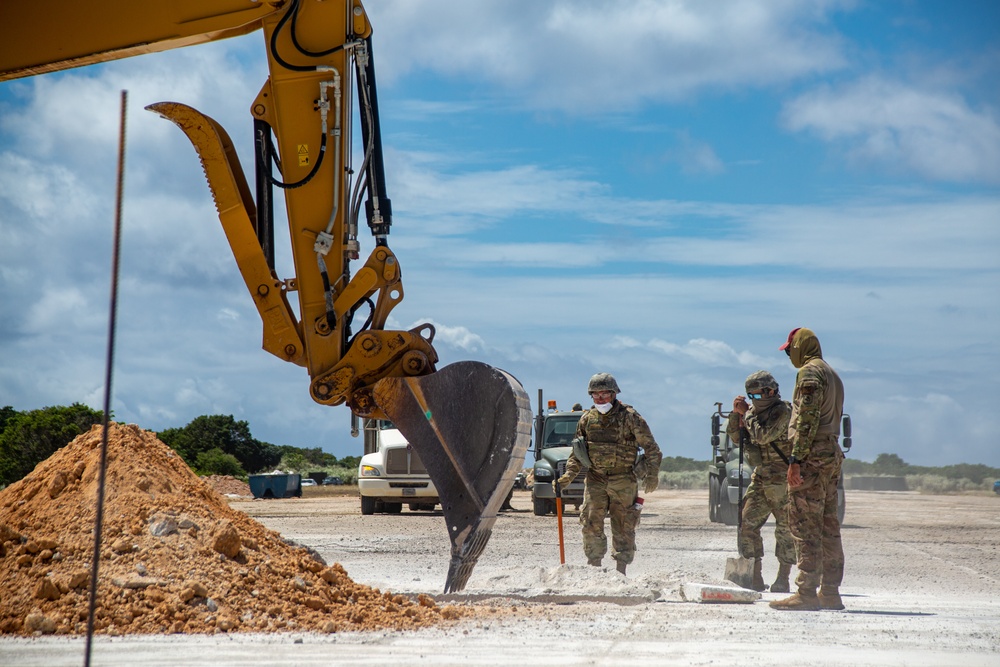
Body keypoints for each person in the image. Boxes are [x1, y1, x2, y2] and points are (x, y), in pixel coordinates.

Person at [770, 327, 846, 611]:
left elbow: (806, 419)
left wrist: (796, 460)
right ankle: (830, 592)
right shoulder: (832, 374)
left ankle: (805, 593)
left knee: (804, 526)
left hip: (812, 455)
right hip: (829, 453)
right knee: (829, 526)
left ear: (800, 347)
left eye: (790, 350)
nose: (790, 355)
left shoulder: (810, 373)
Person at [557, 372, 662, 575]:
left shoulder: (630, 418)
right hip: (595, 478)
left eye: (604, 394)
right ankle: (594, 568)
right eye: (595, 395)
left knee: (624, 525)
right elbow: (577, 453)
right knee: (590, 522)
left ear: (613, 394)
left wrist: (652, 475)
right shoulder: (587, 419)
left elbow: (652, 449)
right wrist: (567, 477)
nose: (600, 399)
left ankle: (620, 571)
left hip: (623, 479)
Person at [727, 370, 795, 592]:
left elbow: (762, 436)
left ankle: (783, 578)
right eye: (751, 397)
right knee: (747, 524)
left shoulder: (782, 411)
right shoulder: (753, 414)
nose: (754, 401)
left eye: (757, 396)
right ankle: (754, 575)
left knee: (785, 530)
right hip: (762, 475)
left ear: (771, 391)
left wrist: (746, 413)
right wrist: (735, 416)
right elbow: (738, 438)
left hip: (783, 478)